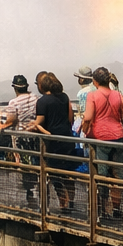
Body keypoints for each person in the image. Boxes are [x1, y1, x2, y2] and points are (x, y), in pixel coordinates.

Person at [82, 66, 123, 215]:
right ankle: (116, 209)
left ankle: (101, 209)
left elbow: (88, 117)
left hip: (100, 139)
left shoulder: (92, 96)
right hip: (119, 137)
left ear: (95, 81)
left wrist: (84, 130)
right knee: (118, 174)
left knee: (100, 175)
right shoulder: (119, 95)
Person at [30, 72, 76, 210]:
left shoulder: (43, 101)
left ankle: (63, 203)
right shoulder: (64, 97)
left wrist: (34, 126)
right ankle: (71, 201)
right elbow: (70, 118)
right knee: (68, 172)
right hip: (67, 138)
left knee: (55, 174)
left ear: (42, 85)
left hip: (52, 142)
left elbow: (39, 122)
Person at [0, 73, 39, 202]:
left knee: (25, 164)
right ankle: (39, 189)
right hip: (35, 134)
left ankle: (30, 193)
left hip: (21, 137)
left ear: (15, 88)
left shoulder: (13, 102)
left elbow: (11, 121)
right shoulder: (35, 98)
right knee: (35, 160)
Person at [73, 65, 97, 135]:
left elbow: (84, 113)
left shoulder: (82, 93)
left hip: (88, 127)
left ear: (82, 79)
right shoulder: (96, 89)